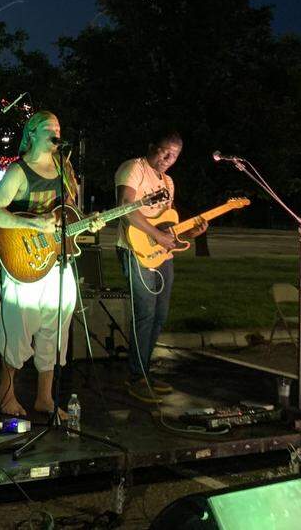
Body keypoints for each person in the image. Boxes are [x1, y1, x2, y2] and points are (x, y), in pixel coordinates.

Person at [0, 111, 101, 419]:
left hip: (58, 262)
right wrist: (38, 225)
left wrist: (87, 223)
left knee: (55, 329)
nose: (55, 131)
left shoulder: (66, 169)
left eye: (59, 127)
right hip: (22, 259)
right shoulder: (19, 172)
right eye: (48, 127)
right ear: (32, 133)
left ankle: (44, 398)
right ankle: (6, 395)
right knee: (19, 330)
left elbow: (68, 215)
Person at [114, 131, 206, 402]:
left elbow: (168, 225)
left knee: (159, 315)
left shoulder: (168, 181)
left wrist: (189, 233)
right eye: (164, 151)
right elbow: (125, 207)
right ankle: (136, 376)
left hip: (162, 255)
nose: (168, 158)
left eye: (174, 155)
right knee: (145, 313)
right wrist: (156, 235)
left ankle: (143, 371)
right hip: (134, 249)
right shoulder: (134, 168)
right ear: (152, 146)